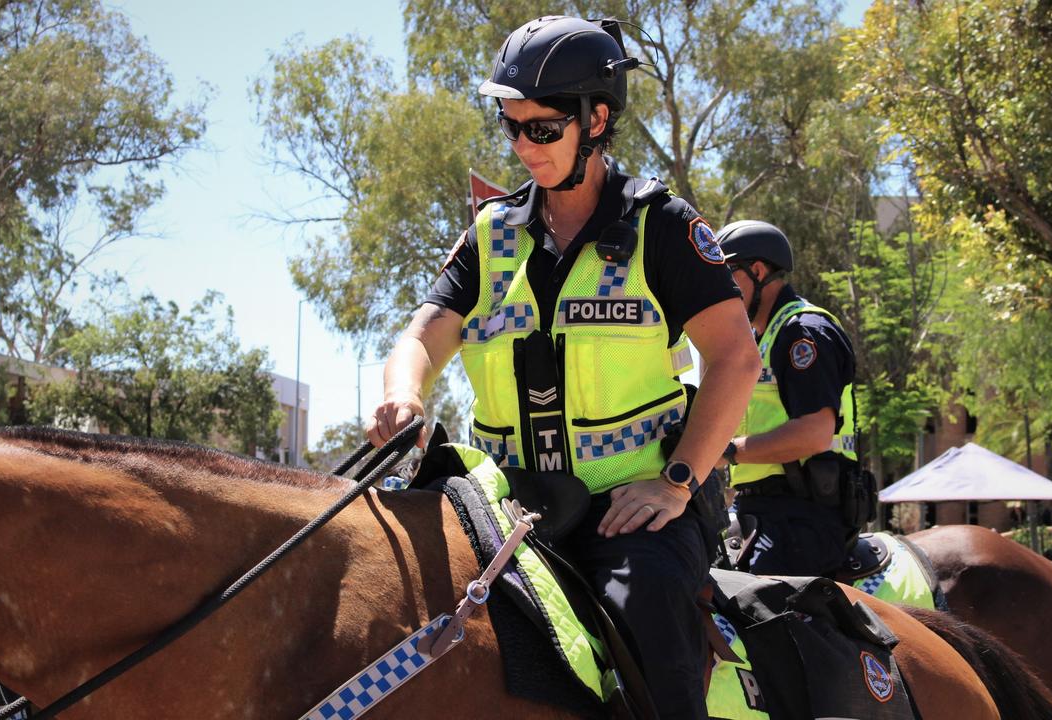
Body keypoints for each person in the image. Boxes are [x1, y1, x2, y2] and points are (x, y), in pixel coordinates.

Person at [366, 15, 759, 719]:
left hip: (635, 511)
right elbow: (424, 334)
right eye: (509, 126)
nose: (523, 146)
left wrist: (676, 483)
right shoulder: (490, 235)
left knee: (645, 612)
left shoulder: (662, 227)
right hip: (508, 504)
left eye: (541, 128)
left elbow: (735, 357)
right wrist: (403, 393)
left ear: (596, 119)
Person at [716, 220, 866, 578]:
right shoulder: (758, 339)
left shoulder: (803, 331)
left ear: (758, 271)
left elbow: (814, 433)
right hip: (762, 509)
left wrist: (728, 450)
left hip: (803, 517)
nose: (718, 289)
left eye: (727, 276)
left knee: (764, 617)